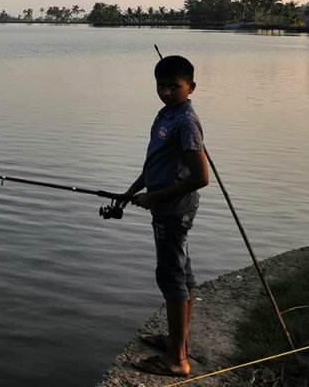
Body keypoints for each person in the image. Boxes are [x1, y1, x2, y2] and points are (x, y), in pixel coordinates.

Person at [120, 54, 210, 377]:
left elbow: (201, 177)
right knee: (183, 274)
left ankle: (176, 360)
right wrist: (131, 191)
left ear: (191, 87)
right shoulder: (166, 115)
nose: (168, 92)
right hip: (166, 207)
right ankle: (179, 341)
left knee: (171, 278)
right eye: (162, 86)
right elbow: (155, 163)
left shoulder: (186, 122)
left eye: (175, 87)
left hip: (174, 211)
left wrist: (154, 197)